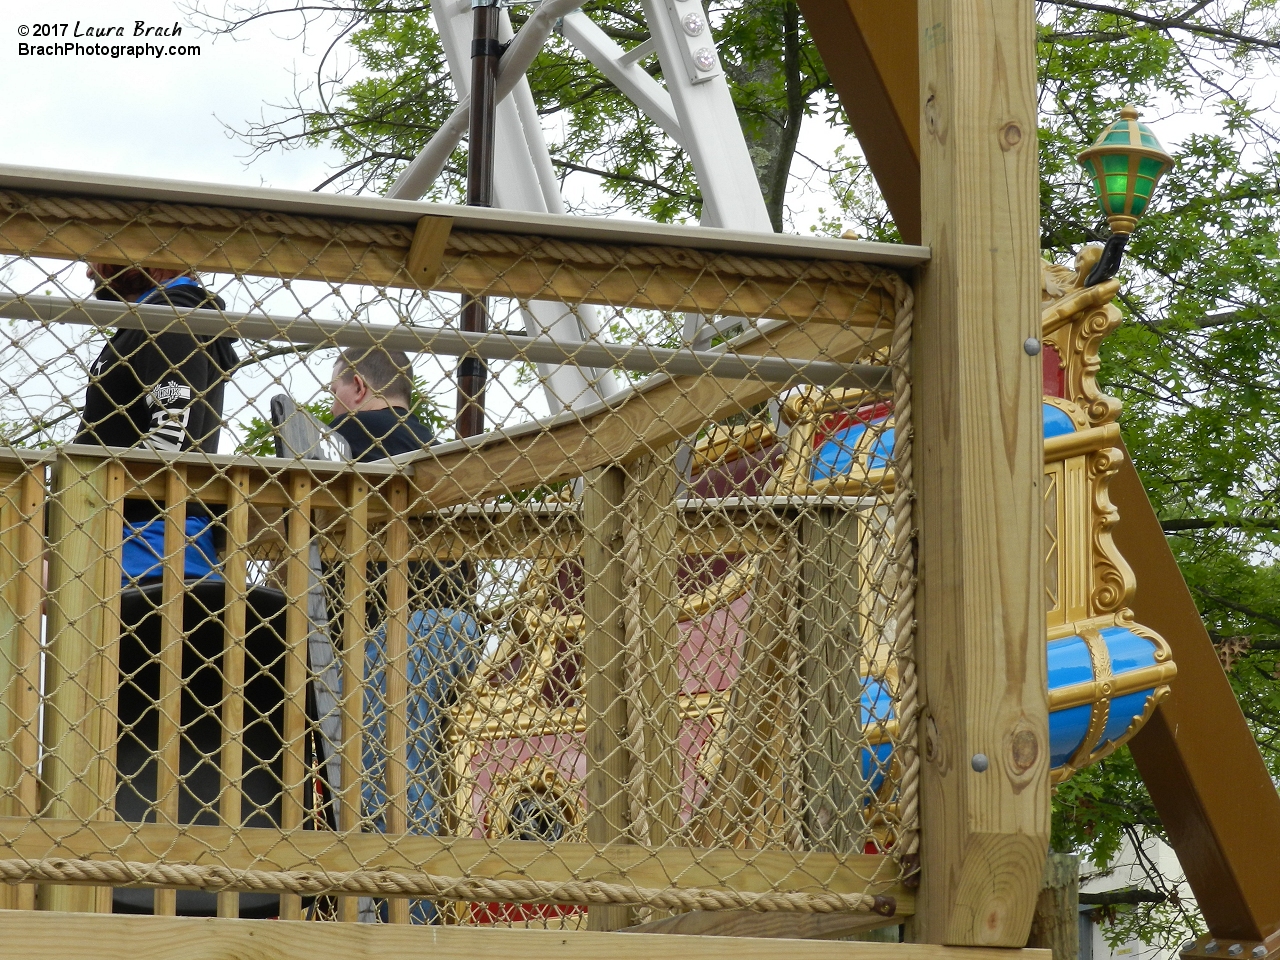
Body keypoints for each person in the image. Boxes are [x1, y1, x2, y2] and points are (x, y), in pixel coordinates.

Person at [329, 346, 478, 924]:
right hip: (459, 622)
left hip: (398, 630)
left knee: (388, 780)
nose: (333, 404)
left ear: (359, 387)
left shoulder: (353, 435)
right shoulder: (435, 444)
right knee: (437, 772)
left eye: (336, 390)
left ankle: (415, 923)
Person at [75, 263, 238, 583]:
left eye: (99, 258)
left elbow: (171, 439)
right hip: (125, 543)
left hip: (146, 554)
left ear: (153, 257)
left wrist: (79, 512)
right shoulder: (152, 318)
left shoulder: (172, 315)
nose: (89, 272)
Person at [328, 346, 435, 461]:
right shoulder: (434, 446)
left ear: (359, 387)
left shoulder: (348, 428)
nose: (331, 409)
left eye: (335, 393)